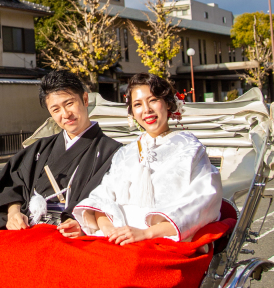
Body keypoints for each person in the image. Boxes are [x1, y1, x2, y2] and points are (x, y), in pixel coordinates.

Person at [61, 72, 222, 244]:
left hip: (162, 241)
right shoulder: (125, 153)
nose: (146, 110)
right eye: (137, 104)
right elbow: (103, 198)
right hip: (117, 240)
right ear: (132, 112)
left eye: (153, 100)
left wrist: (146, 234)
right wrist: (110, 232)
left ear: (168, 103)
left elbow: (202, 202)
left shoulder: (190, 149)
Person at [0, 69, 120, 236]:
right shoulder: (39, 148)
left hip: (72, 233)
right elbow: (14, 183)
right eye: (56, 109)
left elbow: (110, 202)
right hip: (29, 228)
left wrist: (85, 224)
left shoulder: (112, 152)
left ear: (85, 99)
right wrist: (14, 213)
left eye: (69, 103)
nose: (65, 114)